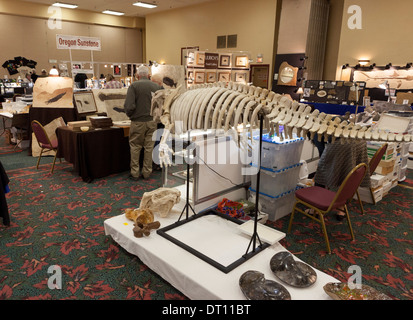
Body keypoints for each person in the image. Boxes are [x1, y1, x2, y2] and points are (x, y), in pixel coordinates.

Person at [124, 65, 163, 180]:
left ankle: (135, 173)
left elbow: (129, 106)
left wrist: (131, 115)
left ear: (137, 75)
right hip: (152, 122)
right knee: (149, 147)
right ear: (148, 75)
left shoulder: (134, 86)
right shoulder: (157, 86)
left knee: (135, 147)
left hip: (137, 121)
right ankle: (147, 172)